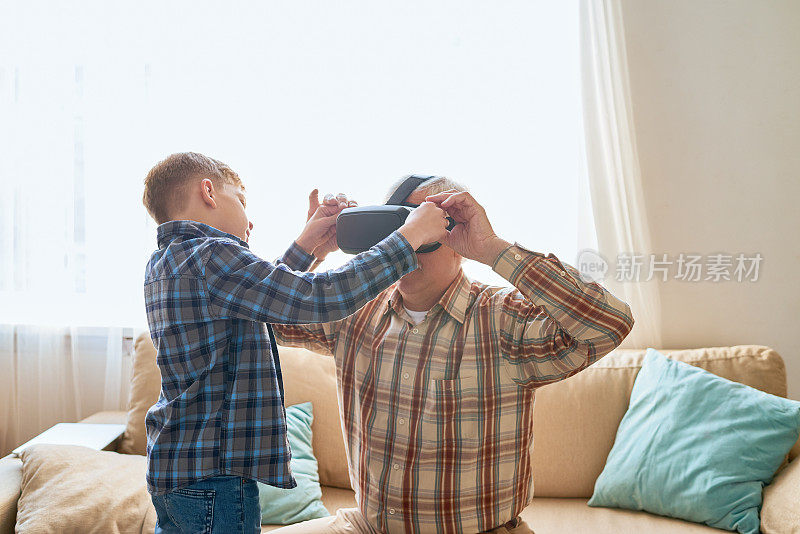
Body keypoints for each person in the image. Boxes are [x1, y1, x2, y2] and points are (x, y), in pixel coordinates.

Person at [271, 176, 635, 534]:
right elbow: (261, 322)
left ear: (458, 241)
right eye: (401, 233)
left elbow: (610, 323)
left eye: (424, 233)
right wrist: (308, 249)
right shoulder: (354, 312)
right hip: (368, 526)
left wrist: (492, 248)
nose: (409, 248)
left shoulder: (503, 320)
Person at [140, 153, 449, 534]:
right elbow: (322, 299)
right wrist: (409, 237)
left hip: (177, 468)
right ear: (208, 191)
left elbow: (257, 303)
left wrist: (309, 246)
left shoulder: (167, 262)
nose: (249, 220)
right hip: (214, 476)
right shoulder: (212, 255)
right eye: (241, 199)